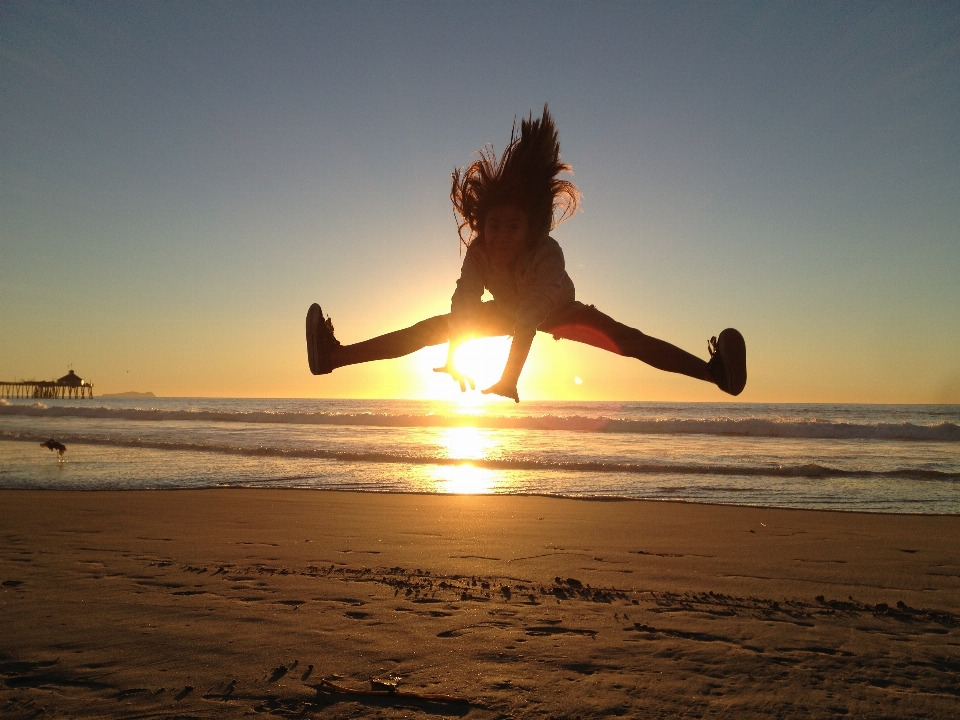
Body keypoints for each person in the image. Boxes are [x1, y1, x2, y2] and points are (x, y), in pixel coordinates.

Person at [306, 106, 746, 402]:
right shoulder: (480, 251)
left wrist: (510, 376)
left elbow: (530, 317)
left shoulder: (547, 255)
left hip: (557, 309)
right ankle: (333, 357)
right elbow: (463, 301)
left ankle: (717, 375)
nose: (499, 236)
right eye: (492, 225)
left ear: (530, 227)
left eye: (511, 227)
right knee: (428, 329)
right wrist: (456, 351)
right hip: (508, 309)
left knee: (629, 342)